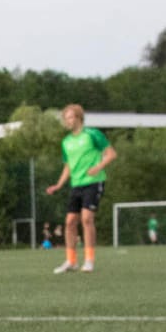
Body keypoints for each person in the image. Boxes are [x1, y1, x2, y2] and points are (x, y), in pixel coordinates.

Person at [43, 104, 117, 273]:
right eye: (65, 118)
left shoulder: (93, 134)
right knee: (69, 222)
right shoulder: (66, 142)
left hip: (93, 182)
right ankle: (71, 261)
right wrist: (59, 184)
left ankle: (89, 260)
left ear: (79, 118)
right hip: (76, 185)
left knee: (87, 219)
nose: (67, 121)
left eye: (70, 117)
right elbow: (68, 166)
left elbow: (112, 154)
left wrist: (98, 167)